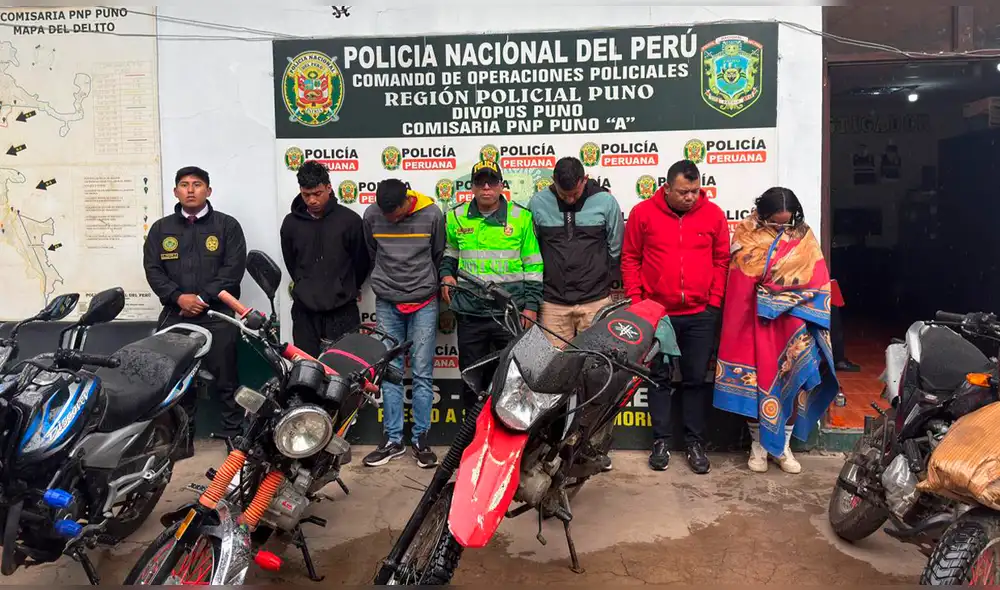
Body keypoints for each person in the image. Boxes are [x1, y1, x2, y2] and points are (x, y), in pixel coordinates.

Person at [712, 187, 840, 475]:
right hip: (754, 320)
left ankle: (783, 447)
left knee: (794, 381)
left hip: (794, 322)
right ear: (762, 214)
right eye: (775, 223)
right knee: (755, 381)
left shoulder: (804, 235)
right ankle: (758, 446)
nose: (783, 228)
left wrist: (781, 292)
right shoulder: (745, 232)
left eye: (788, 221)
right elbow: (744, 277)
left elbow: (817, 277)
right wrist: (775, 287)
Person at [621, 159, 729, 474]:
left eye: (695, 191)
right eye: (683, 191)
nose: (690, 197)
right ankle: (661, 442)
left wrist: (714, 301)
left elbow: (722, 259)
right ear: (667, 188)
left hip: (700, 315)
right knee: (659, 380)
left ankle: (695, 443)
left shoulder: (713, 215)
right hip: (658, 315)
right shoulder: (643, 214)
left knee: (696, 380)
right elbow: (630, 258)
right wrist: (640, 304)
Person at [143, 166, 247, 458]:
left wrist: (201, 298)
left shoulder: (227, 226)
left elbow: (233, 270)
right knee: (178, 383)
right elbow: (153, 270)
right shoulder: (161, 229)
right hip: (176, 316)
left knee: (227, 380)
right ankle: (181, 440)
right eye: (184, 185)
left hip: (217, 316)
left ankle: (233, 436)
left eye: (197, 184)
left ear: (208, 191)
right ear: (175, 192)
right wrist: (179, 298)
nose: (190, 190)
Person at [440, 160, 543, 408]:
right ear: (472, 187)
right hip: (470, 312)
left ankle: (505, 441)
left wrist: (530, 305)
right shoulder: (455, 217)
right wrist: (446, 274)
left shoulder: (521, 217)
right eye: (480, 182)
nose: (486, 187)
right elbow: (450, 252)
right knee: (472, 378)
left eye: (492, 182)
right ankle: (472, 438)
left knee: (511, 379)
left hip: (509, 312)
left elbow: (533, 266)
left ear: (500, 186)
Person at [361, 179, 445, 469]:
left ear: (406, 203)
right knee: (391, 372)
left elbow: (438, 254)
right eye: (384, 214)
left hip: (424, 300)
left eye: (393, 214)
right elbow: (373, 253)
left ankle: (421, 440)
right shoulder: (372, 215)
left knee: (422, 372)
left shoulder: (432, 214)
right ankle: (393, 440)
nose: (388, 219)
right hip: (387, 301)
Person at [529, 156, 624, 346]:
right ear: (554, 183)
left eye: (575, 193)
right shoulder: (538, 203)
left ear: (585, 179)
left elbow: (616, 246)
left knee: (596, 363)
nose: (570, 199)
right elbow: (532, 248)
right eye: (564, 195)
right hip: (552, 303)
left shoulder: (605, 201)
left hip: (596, 300)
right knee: (554, 367)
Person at [280, 160, 371, 357]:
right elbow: (291, 262)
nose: (312, 200)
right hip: (305, 311)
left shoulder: (350, 221)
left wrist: (344, 287)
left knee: (344, 372)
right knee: (305, 371)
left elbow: (361, 262)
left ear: (329, 188)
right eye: (306, 194)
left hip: (342, 310)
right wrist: (305, 285)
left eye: (317, 193)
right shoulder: (290, 224)